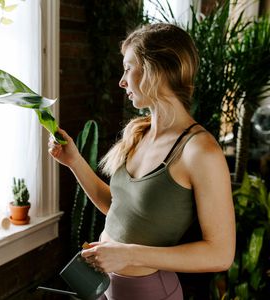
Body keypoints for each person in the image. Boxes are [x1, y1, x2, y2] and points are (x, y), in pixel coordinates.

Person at [48, 23, 235, 300]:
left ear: (155, 70)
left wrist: (129, 255)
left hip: (149, 292)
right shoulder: (139, 133)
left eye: (128, 67)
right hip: (105, 285)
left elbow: (220, 254)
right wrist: (74, 161)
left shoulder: (200, 151)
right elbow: (120, 210)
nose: (122, 81)